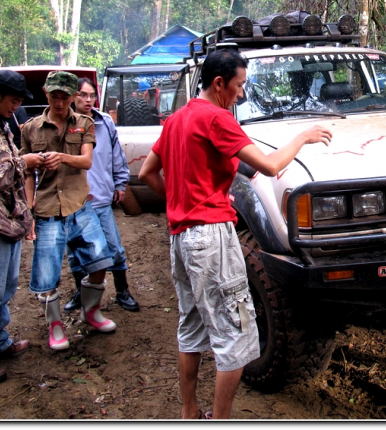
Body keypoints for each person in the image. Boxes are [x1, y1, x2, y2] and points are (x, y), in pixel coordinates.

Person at [139, 51, 333, 419]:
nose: (241, 94)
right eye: (239, 85)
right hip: (211, 237)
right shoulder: (217, 117)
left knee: (192, 324)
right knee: (237, 334)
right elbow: (273, 163)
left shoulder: (178, 119)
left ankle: (190, 412)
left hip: (182, 239)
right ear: (218, 84)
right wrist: (302, 137)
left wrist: (181, 202)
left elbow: (148, 172)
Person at [20, 71, 117, 351]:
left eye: (65, 97)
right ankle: (55, 325)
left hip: (80, 206)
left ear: (74, 96)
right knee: (47, 275)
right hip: (48, 210)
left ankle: (91, 312)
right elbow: (27, 172)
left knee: (100, 262)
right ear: (45, 93)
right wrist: (29, 209)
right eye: (54, 96)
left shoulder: (85, 123)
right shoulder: (30, 128)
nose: (60, 102)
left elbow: (86, 161)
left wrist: (60, 157)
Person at [0, 70, 43, 384]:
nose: (16, 107)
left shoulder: (2, 125)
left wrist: (25, 213)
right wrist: (24, 163)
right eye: (14, 101)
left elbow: (13, 178)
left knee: (5, 290)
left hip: (8, 222)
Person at [63, 78, 139, 313]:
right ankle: (80, 292)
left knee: (113, 247)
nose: (88, 100)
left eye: (91, 95)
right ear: (73, 96)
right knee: (76, 251)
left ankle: (122, 291)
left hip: (101, 198)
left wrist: (120, 184)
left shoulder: (104, 122)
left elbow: (117, 156)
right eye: (82, 95)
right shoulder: (62, 124)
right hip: (72, 201)